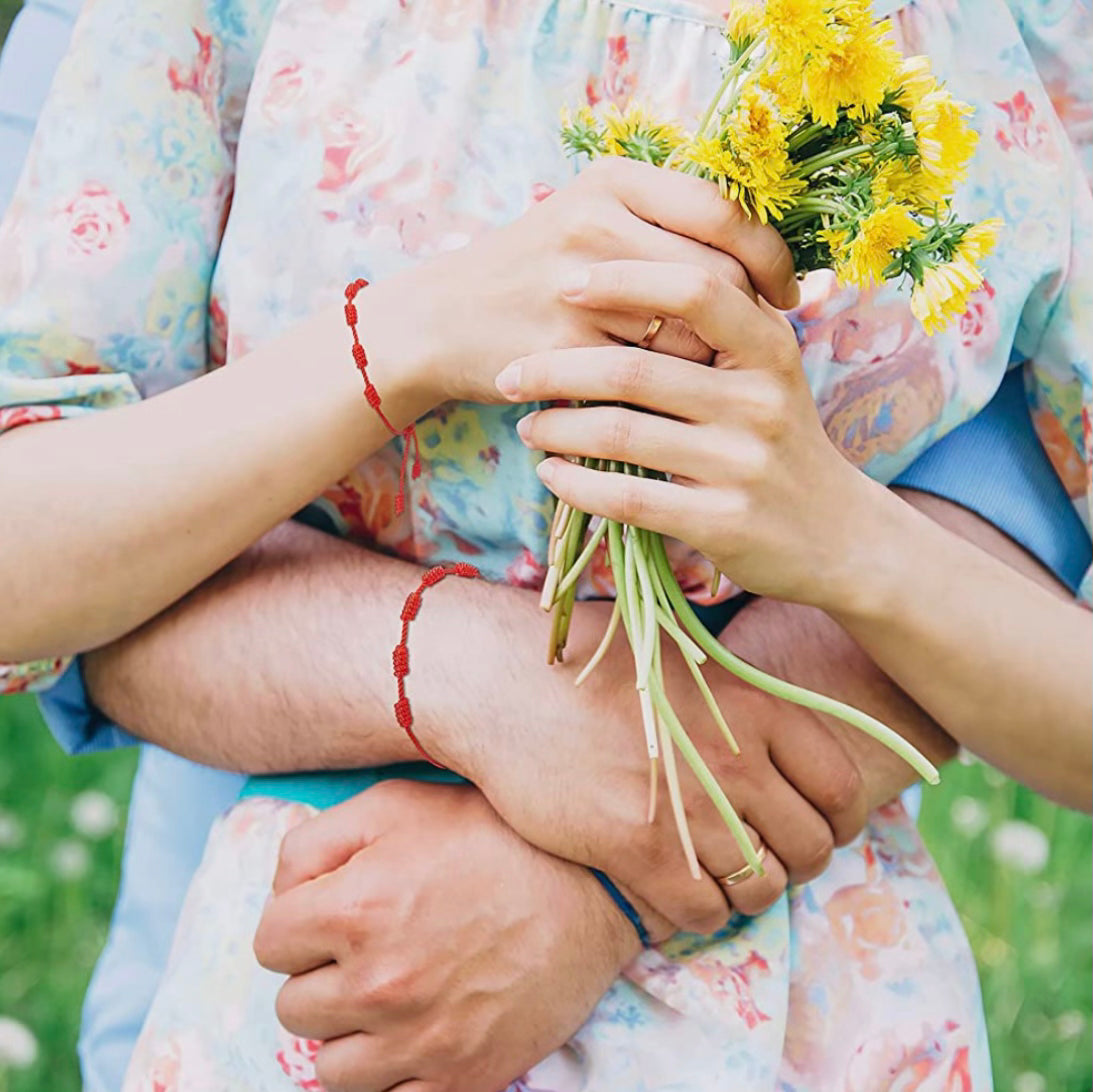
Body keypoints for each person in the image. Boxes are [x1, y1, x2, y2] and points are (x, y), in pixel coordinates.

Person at [0, 0, 1088, 1088]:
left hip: (813, 992)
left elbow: (1035, 535)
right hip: (329, 943)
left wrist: (840, 536)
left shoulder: (1000, 33)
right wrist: (418, 336)